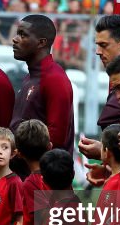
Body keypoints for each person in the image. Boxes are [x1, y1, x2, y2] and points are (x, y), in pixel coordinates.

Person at [78, 14, 120, 169]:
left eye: (104, 45)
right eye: (97, 45)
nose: (98, 52)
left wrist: (102, 152)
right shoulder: (118, 79)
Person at [10, 14, 74, 153]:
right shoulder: (30, 76)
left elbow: (56, 137)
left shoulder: (54, 78)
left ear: (41, 43)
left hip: (43, 172)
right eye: (17, 34)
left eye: (23, 35)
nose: (15, 39)